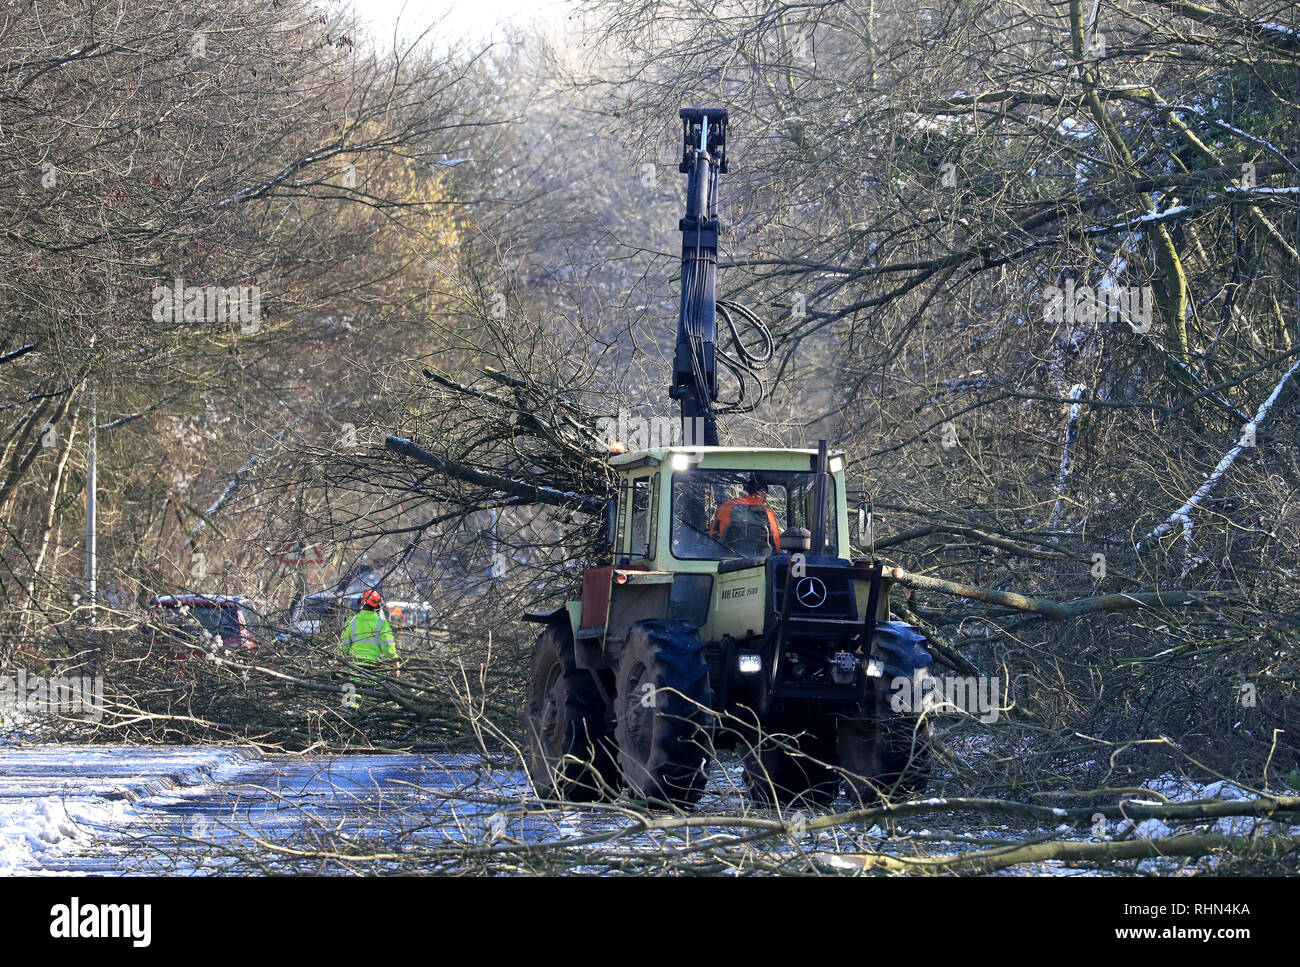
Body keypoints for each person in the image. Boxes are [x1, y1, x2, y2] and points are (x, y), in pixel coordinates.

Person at [710, 476, 782, 553]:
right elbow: (776, 542)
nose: (765, 497)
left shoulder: (726, 507)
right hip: (759, 560)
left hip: (725, 557)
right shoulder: (768, 513)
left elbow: (714, 536)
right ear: (762, 491)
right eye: (765, 493)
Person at [336, 589, 398, 675]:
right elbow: (389, 649)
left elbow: (343, 645)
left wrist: (338, 663)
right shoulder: (382, 624)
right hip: (373, 668)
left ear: (362, 602)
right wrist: (396, 665)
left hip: (354, 667)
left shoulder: (352, 620)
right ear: (377, 606)